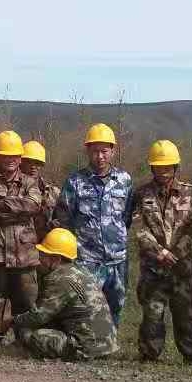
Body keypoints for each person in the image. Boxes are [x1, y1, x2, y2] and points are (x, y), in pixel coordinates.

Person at [131, 140, 192, 365]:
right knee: (153, 314)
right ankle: (149, 354)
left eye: (168, 167)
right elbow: (138, 228)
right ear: (152, 168)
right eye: (159, 167)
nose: (163, 172)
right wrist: (159, 252)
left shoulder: (191, 193)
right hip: (154, 267)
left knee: (185, 314)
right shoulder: (142, 194)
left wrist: (178, 253)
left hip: (182, 267)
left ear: (175, 167)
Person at [54, 123, 134, 325]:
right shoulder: (75, 182)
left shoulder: (124, 180)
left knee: (116, 304)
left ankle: (110, 347)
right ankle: (89, 346)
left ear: (113, 151)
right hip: (87, 259)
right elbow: (64, 218)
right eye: (95, 151)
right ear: (88, 151)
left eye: (104, 151)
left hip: (117, 259)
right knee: (86, 306)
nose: (100, 157)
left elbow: (128, 215)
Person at [0, 130, 51, 345]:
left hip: (24, 253)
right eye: (5, 156)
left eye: (14, 156)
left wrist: (2, 205)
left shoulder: (30, 183)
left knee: (26, 299)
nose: (10, 161)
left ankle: (26, 339)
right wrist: (17, 209)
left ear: (20, 158)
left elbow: (34, 205)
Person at [13, 228, 118, 361]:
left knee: (30, 334)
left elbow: (40, 316)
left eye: (43, 255)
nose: (39, 259)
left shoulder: (59, 279)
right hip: (106, 345)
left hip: (88, 348)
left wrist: (15, 321)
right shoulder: (80, 272)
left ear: (55, 259)